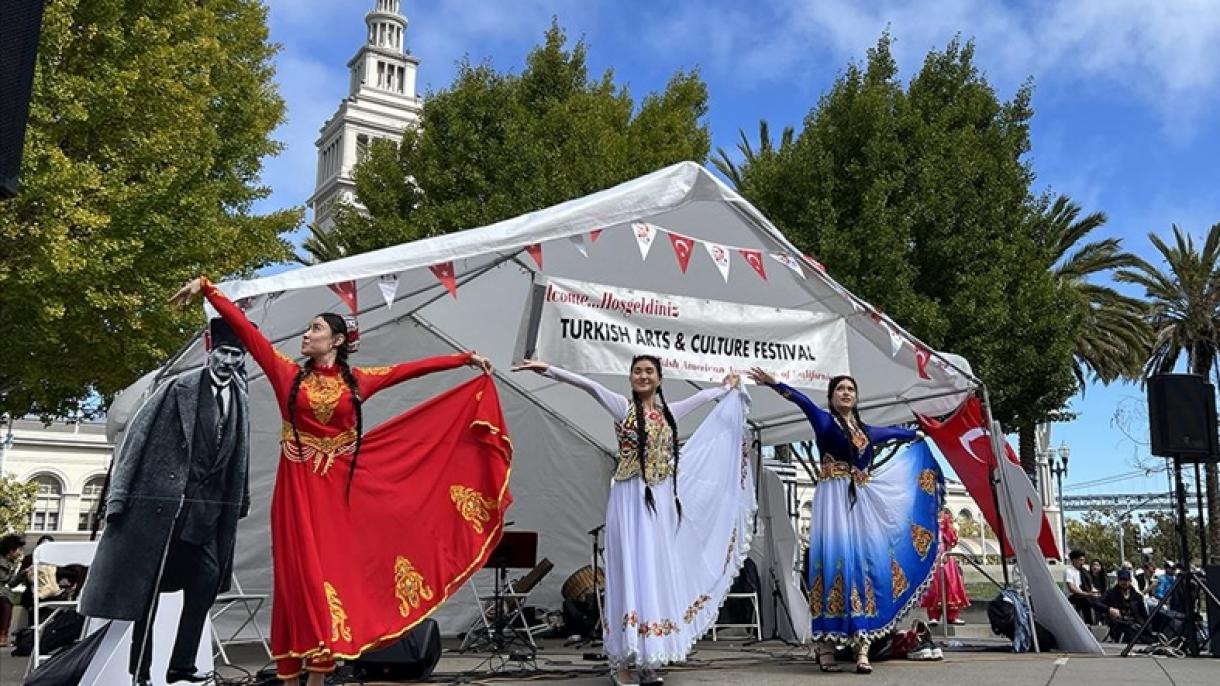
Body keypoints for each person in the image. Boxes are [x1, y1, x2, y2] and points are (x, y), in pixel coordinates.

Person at [172, 276, 510, 686]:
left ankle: (317, 676)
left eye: (315, 328)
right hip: (297, 493)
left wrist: (463, 360)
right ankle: (290, 675)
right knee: (299, 581)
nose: (306, 333)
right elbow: (247, 332)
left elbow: (409, 371)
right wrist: (209, 290)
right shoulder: (286, 374)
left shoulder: (358, 381)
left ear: (336, 341)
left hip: (340, 496)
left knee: (329, 579)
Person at [514, 356, 752, 686]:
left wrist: (728, 387)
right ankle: (622, 659)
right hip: (629, 498)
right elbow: (590, 386)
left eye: (648, 371)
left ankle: (649, 657)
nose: (642, 376)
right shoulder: (623, 407)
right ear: (631, 377)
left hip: (661, 500)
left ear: (659, 379)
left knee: (654, 572)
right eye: (637, 371)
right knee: (630, 570)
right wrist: (549, 369)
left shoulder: (671, 412)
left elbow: (703, 398)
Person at [81, 317, 256, 686]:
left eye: (236, 355)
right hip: (162, 510)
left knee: (207, 580)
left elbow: (240, 455)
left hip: (208, 514)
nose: (229, 362)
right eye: (224, 353)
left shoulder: (241, 398)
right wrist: (118, 498)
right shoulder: (178, 388)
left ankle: (181, 665)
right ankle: (140, 670)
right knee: (149, 589)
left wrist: (239, 500)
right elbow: (135, 442)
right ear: (211, 351)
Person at [748, 369, 941, 675]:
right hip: (832, 500)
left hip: (859, 501)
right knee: (832, 563)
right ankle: (825, 648)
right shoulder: (823, 421)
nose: (846, 393)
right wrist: (775, 384)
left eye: (851, 389)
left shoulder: (864, 430)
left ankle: (862, 648)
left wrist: (917, 434)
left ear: (856, 396)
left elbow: (892, 433)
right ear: (832, 396)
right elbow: (800, 401)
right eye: (840, 389)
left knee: (863, 564)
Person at [921, 509, 970, 625]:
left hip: (946, 558)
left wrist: (947, 526)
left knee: (951, 586)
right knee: (934, 587)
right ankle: (934, 616)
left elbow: (952, 540)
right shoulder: (926, 519)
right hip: (932, 560)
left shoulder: (946, 521)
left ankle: (952, 615)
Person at [18, 535, 57, 628]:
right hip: (33, 594)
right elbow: (22, 575)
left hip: (50, 594)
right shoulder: (29, 559)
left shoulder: (55, 560)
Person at [1102, 568, 1149, 644]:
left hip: (1137, 625)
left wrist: (1146, 625)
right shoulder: (1111, 594)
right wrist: (1109, 609)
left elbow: (1144, 614)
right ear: (1118, 580)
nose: (1124, 582)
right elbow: (1097, 602)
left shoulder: (1137, 596)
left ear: (1130, 581)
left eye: (1126, 580)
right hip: (1119, 625)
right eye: (1122, 580)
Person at [1064, 550, 1104, 624]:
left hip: (1085, 596)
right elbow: (1072, 588)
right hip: (1074, 597)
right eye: (1080, 560)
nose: (1082, 562)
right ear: (1074, 560)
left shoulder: (1084, 571)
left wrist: (1095, 592)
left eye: (1083, 560)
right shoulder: (1069, 571)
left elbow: (1090, 585)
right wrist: (1086, 594)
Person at [0, 534, 25, 647]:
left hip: (4, 593)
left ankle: (3, 635)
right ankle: (2, 635)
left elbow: (11, 583)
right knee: (5, 604)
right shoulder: (2, 563)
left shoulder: (9, 562)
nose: (20, 553)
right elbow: (6, 580)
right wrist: (22, 574)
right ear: (11, 550)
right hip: (2, 594)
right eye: (19, 549)